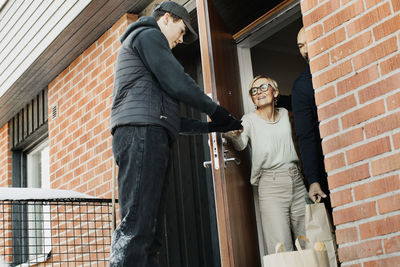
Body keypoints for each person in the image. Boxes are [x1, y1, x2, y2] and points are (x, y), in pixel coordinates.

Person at [109, 2, 242, 266]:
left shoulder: (150, 59)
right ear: (167, 18)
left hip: (149, 134)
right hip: (140, 136)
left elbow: (170, 119)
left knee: (150, 228)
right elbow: (178, 81)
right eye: (181, 31)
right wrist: (217, 111)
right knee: (137, 225)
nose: (181, 40)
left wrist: (212, 126)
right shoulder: (148, 36)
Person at [224, 75, 307, 254]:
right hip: (271, 185)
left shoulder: (286, 114)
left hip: (297, 181)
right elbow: (241, 144)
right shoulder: (249, 120)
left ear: (275, 92)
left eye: (263, 87)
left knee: (311, 240)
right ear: (252, 98)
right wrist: (234, 135)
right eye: (254, 91)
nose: (259, 92)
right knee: (281, 248)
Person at [291, 27, 331, 211]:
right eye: (301, 46)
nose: (305, 50)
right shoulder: (302, 87)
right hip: (328, 168)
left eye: (308, 43)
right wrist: (313, 180)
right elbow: (306, 137)